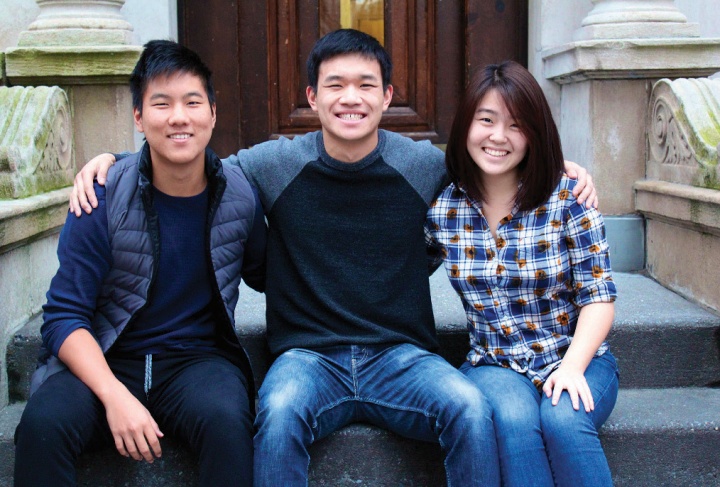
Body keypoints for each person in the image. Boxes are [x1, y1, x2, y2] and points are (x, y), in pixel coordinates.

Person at [68, 30, 597, 486]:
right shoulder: (275, 164)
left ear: (387, 96)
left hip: (401, 354)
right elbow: (185, 158)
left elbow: (493, 164)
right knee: (274, 415)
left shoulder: (424, 167)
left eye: (366, 85)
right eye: (335, 86)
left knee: (470, 410)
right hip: (307, 357)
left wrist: (561, 168)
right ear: (312, 97)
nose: (351, 99)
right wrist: (114, 162)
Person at [14, 40, 266, 487]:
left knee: (230, 422)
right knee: (42, 425)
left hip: (197, 362)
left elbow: (271, 274)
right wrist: (115, 396)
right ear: (138, 117)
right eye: (161, 103)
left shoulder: (240, 195)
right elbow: (62, 317)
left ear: (212, 111)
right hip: (107, 356)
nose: (178, 117)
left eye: (192, 102)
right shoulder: (101, 195)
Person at [425, 60, 619, 487]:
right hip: (495, 363)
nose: (498, 137)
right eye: (486, 120)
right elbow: (396, 267)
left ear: (534, 133)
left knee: (564, 419)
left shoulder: (568, 197)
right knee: (513, 419)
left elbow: (599, 295)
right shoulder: (444, 211)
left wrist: (570, 368)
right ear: (465, 126)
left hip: (578, 356)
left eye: (515, 125)